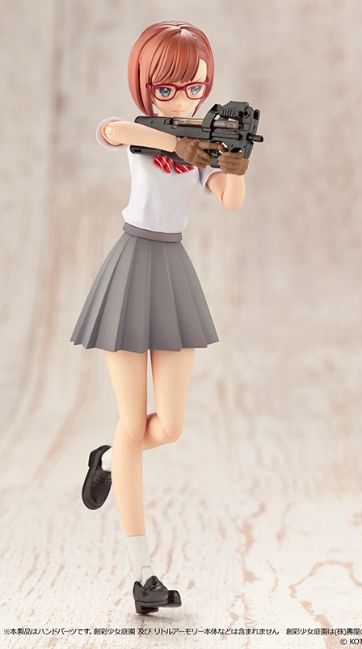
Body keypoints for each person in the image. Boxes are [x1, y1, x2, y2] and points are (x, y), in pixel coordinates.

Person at [71, 20, 249, 615]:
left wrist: (234, 163)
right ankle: (142, 572)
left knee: (167, 427)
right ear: (147, 86)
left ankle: (107, 459)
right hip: (131, 263)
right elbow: (111, 129)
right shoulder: (146, 134)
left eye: (194, 88)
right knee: (132, 420)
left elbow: (228, 199)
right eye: (167, 88)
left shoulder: (198, 148)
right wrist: (178, 143)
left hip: (172, 271)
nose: (182, 99)